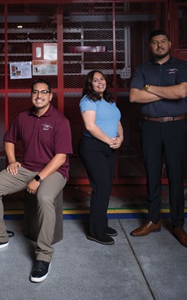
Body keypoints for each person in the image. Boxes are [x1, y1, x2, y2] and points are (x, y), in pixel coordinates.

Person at [0, 79, 73, 283]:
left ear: (50, 96)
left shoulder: (60, 120)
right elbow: (9, 140)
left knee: (44, 196)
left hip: (54, 171)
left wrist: (38, 178)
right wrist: (11, 161)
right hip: (26, 168)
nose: (39, 96)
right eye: (35, 92)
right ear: (31, 95)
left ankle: (44, 255)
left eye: (44, 92)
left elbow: (60, 157)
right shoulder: (23, 117)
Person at [129, 29, 187, 249]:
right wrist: (169, 90)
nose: (159, 45)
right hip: (150, 126)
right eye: (155, 42)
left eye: (163, 41)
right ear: (149, 46)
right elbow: (134, 96)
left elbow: (182, 92)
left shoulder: (183, 66)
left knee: (176, 175)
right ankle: (153, 220)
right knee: (152, 174)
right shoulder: (142, 68)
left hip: (176, 125)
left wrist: (150, 88)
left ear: (170, 43)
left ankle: (177, 224)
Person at [79, 70, 123, 245]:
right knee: (101, 186)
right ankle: (95, 231)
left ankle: (101, 224)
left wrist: (120, 138)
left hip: (108, 147)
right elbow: (90, 126)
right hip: (93, 147)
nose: (100, 82)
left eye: (102, 79)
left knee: (106, 187)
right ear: (90, 84)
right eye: (95, 80)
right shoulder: (88, 101)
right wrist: (109, 141)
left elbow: (117, 122)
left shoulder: (109, 100)